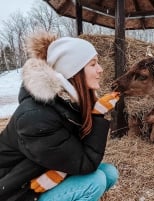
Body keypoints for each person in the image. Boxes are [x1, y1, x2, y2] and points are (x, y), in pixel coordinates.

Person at [0, 31, 120, 201]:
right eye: (93, 64)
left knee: (109, 173)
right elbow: (85, 163)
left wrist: (94, 112)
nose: (100, 70)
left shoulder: (68, 102)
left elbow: (73, 152)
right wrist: (98, 116)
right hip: (17, 192)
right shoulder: (36, 116)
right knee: (95, 181)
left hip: (38, 178)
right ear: (73, 71)